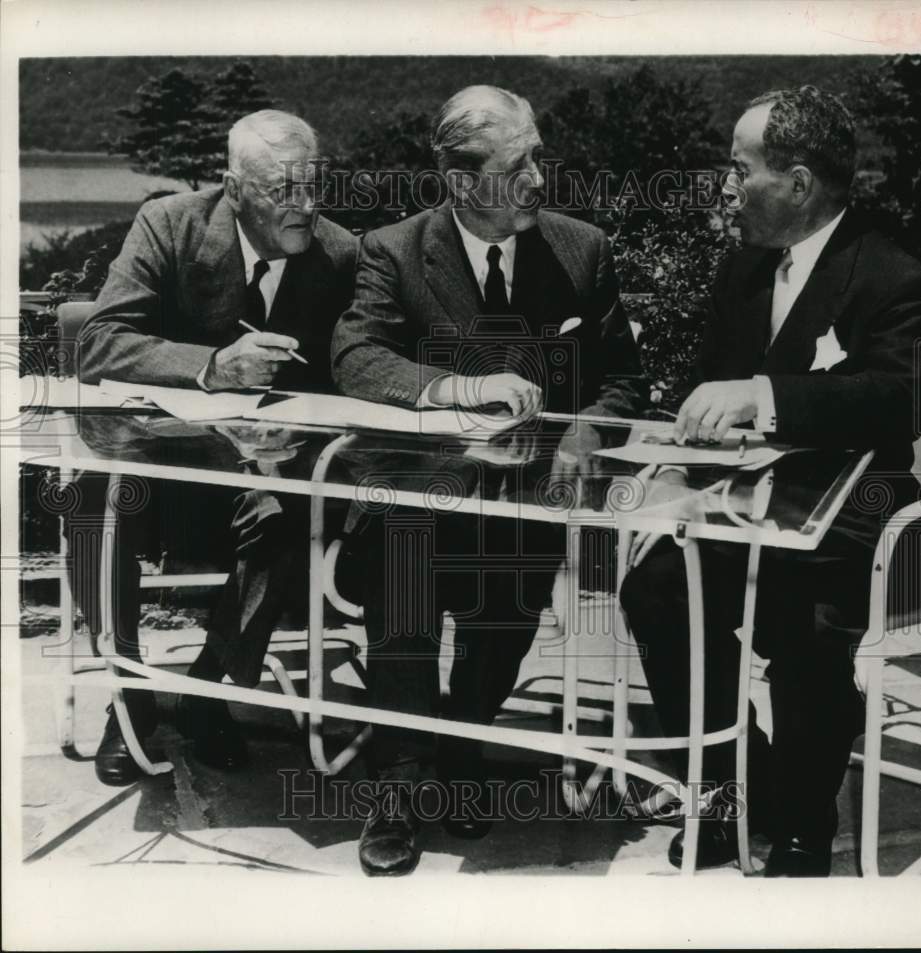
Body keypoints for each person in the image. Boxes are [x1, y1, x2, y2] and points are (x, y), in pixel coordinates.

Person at [619, 85, 921, 876]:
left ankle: (804, 817)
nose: (727, 187)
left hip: (853, 514)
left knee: (805, 623)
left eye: (740, 169)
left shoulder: (892, 275)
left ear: (798, 184)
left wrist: (763, 398)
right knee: (656, 590)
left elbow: (900, 399)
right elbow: (710, 389)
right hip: (742, 509)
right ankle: (732, 789)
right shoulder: (743, 270)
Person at [332, 84, 645, 875]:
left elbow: (623, 379)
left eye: (540, 154)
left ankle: (464, 748)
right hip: (414, 490)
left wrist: (584, 429)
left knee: (505, 600)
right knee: (404, 572)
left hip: (522, 498)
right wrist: (461, 389)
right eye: (520, 164)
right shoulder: (394, 251)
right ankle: (400, 786)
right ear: (462, 181)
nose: (541, 178)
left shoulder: (582, 251)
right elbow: (357, 358)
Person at [75, 109, 359, 785]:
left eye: (313, 185)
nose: (306, 207)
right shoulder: (169, 224)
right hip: (161, 465)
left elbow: (354, 368)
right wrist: (212, 367)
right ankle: (131, 698)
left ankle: (209, 692)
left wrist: (295, 429)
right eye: (282, 192)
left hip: (262, 472)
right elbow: (98, 344)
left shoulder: (340, 254)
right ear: (234, 189)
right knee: (89, 502)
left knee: (294, 511)